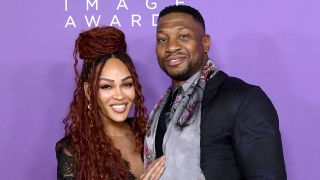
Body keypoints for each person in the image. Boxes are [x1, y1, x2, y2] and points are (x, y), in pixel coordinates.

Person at [144, 5, 287, 179]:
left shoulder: (244, 99)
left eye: (183, 36)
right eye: (162, 39)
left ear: (205, 43)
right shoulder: (161, 111)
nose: (171, 47)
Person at [56, 26, 164, 180]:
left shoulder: (150, 132)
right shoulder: (73, 150)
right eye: (106, 86)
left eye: (127, 84)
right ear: (88, 91)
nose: (119, 95)